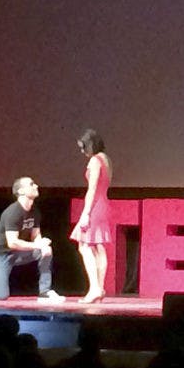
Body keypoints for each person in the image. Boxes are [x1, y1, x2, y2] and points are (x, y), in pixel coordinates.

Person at [0, 176, 66, 303]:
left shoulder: (35, 211)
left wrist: (42, 246)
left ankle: (45, 292)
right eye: (31, 184)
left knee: (45, 251)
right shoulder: (13, 212)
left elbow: (35, 236)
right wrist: (38, 245)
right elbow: (12, 243)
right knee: (1, 295)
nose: (36, 186)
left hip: (16, 253)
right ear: (21, 191)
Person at [69, 129, 113, 303]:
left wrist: (85, 213)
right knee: (98, 246)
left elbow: (92, 188)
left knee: (84, 245)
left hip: (95, 206)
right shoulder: (106, 159)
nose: (82, 152)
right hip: (104, 204)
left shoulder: (95, 161)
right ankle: (100, 288)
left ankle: (94, 288)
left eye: (83, 147)